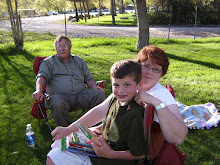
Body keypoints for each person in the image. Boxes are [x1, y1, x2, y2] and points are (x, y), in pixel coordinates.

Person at [51, 45, 188, 145]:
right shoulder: (128, 85)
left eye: (156, 69)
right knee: (61, 144)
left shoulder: (162, 95)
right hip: (111, 139)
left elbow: (179, 137)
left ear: (162, 74)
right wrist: (69, 129)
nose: (149, 72)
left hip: (131, 151)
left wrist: (156, 102)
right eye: (146, 66)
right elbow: (101, 110)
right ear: (137, 65)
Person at [47, 59, 148, 165]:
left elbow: (140, 154)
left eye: (127, 85)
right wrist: (98, 129)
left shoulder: (135, 114)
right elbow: (112, 121)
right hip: (99, 148)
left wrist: (110, 154)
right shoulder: (115, 100)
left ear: (139, 84)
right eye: (116, 85)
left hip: (109, 159)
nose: (120, 90)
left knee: (54, 158)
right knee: (58, 148)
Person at [32, 35, 105, 126]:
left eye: (65, 46)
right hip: (60, 97)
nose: (62, 49)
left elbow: (88, 78)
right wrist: (39, 90)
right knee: (57, 103)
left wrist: (94, 86)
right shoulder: (48, 62)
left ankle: (96, 127)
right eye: (59, 46)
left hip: (80, 96)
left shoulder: (79, 61)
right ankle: (67, 131)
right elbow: (41, 76)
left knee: (99, 94)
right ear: (56, 49)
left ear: (70, 48)